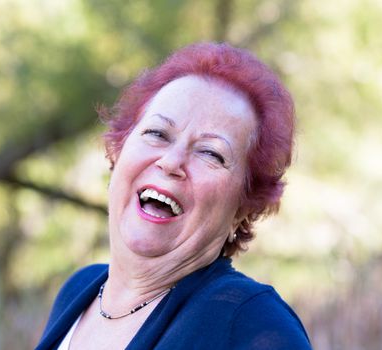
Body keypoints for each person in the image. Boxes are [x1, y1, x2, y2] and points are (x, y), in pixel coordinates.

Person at [35, 42, 311, 350]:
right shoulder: (79, 290)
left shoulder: (253, 323)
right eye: (157, 133)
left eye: (211, 153)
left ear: (243, 208)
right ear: (118, 151)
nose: (171, 162)